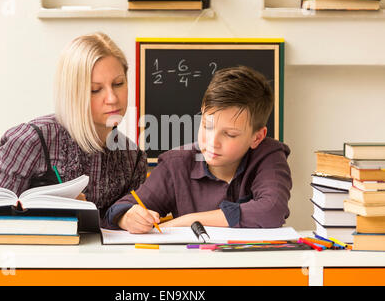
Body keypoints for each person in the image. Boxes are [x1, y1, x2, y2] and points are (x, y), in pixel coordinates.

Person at [0, 32, 147, 285]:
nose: (112, 98)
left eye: (118, 84)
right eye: (95, 90)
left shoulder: (132, 157)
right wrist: (48, 216)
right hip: (10, 275)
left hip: (80, 275)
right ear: (72, 92)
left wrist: (127, 217)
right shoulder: (32, 139)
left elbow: (115, 235)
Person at [104, 66, 292, 233]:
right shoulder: (176, 164)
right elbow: (120, 209)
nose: (212, 141)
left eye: (230, 134)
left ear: (257, 137)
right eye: (207, 126)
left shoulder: (269, 155)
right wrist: (127, 217)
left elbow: (271, 209)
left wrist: (188, 220)